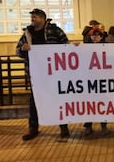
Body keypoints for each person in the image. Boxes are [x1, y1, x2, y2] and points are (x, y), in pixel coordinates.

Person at [16, 8, 70, 140]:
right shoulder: (27, 34)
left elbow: (66, 46)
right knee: (34, 102)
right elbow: (17, 51)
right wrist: (23, 49)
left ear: (43, 18)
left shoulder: (55, 31)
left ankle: (63, 127)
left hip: (54, 73)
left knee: (58, 99)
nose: (32, 19)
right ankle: (33, 127)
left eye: (35, 16)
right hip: (36, 74)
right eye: (32, 17)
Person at [83, 26, 108, 136]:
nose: (95, 37)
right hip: (90, 80)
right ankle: (88, 125)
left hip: (102, 80)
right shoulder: (84, 48)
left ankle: (104, 125)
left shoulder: (107, 48)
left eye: (98, 35)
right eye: (93, 35)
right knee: (90, 104)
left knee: (103, 103)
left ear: (101, 37)